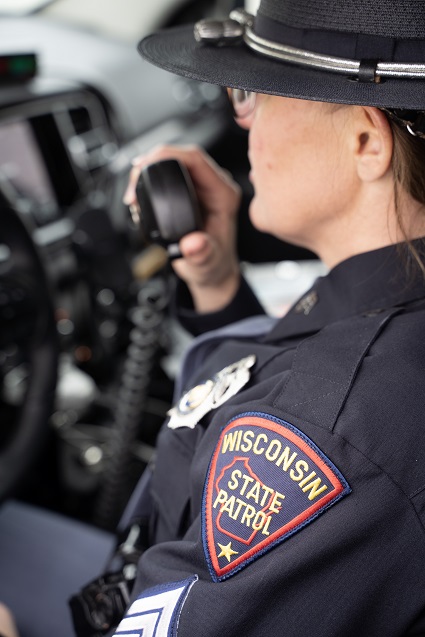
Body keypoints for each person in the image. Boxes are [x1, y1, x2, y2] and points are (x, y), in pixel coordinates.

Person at [1, 0, 425, 635]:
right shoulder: (380, 320)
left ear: (367, 141)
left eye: (257, 95)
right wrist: (219, 286)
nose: (244, 119)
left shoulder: (329, 433)